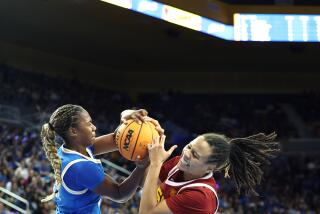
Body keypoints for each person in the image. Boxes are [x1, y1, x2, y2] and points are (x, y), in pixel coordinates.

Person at [40, 104, 163, 213]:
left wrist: (127, 114)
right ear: (73, 131)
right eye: (89, 124)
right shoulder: (80, 167)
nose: (94, 127)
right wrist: (140, 167)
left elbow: (119, 139)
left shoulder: (75, 148)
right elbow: (120, 194)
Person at [139, 132, 279, 214]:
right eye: (189, 146)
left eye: (195, 155)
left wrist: (155, 164)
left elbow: (145, 212)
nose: (186, 154)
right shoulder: (179, 164)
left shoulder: (201, 196)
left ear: (210, 168)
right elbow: (146, 184)